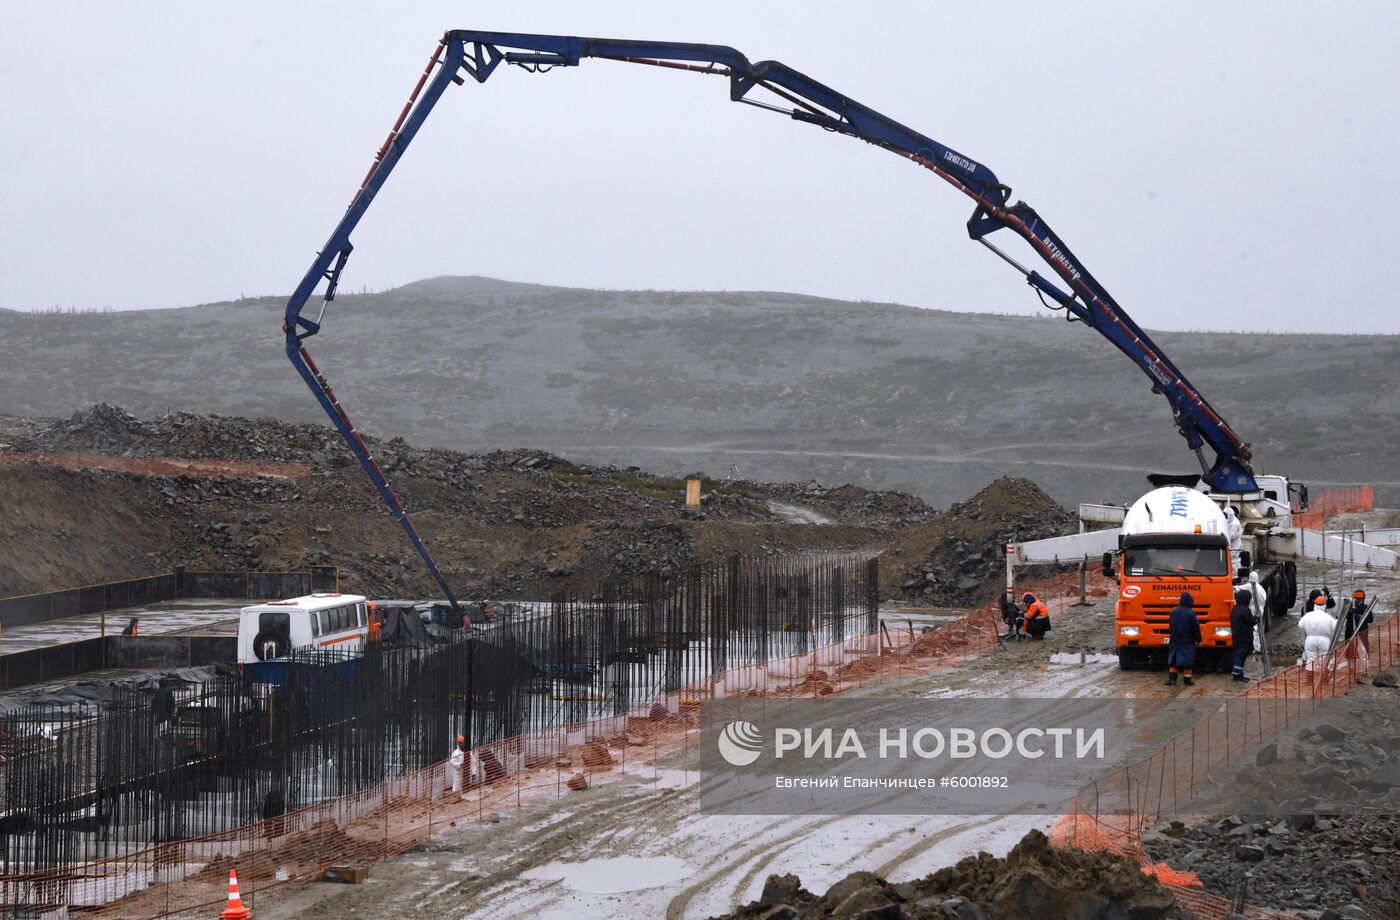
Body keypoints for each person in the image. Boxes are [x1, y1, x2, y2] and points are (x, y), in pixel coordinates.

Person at [1166, 591, 1202, 687]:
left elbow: (1170, 625)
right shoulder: (1191, 614)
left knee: (1173, 661)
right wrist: (1198, 640)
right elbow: (1196, 628)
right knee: (1188, 662)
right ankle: (1187, 680)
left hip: (1175, 640)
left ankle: (1172, 680)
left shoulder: (1174, 611)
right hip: (1187, 641)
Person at [1298, 596, 1337, 669]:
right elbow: (1335, 627)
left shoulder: (1308, 615)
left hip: (1310, 640)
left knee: (1310, 662)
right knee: (1324, 662)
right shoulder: (1328, 617)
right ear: (1324, 605)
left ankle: (1309, 679)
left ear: (1315, 605)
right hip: (1324, 641)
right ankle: (1324, 679)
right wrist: (1337, 620)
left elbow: (1300, 625)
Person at [1229, 587, 1256, 682]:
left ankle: (1238, 673)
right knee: (1241, 655)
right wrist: (1256, 618)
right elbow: (1252, 622)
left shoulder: (1235, 608)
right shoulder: (1245, 610)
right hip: (1244, 637)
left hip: (1236, 635)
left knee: (1238, 654)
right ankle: (1237, 674)